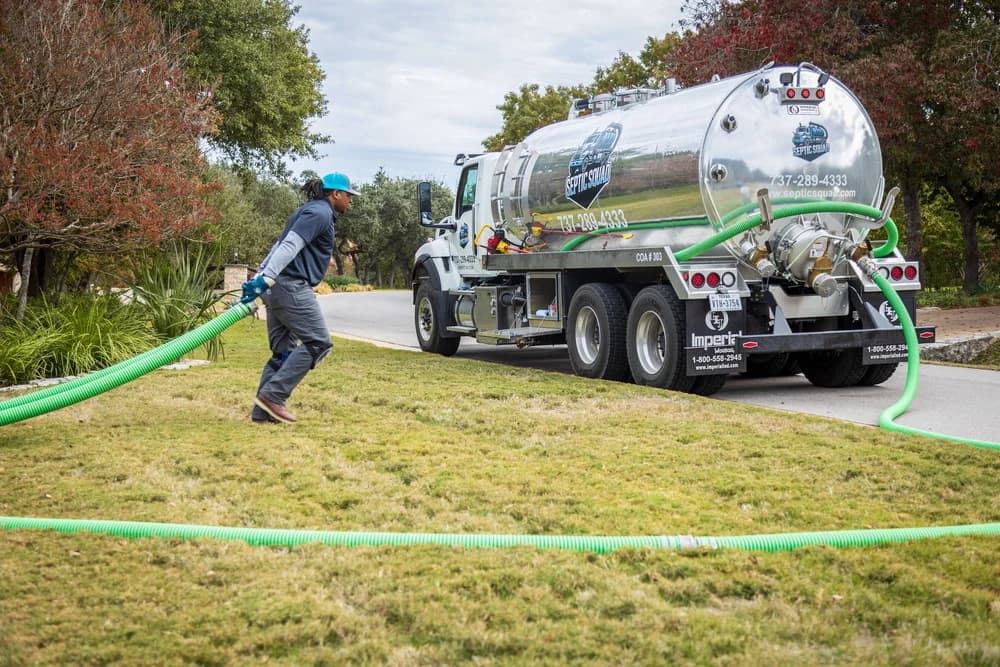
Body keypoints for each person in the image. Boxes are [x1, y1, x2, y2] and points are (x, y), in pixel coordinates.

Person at [240, 172, 359, 424]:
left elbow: (278, 244)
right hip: (290, 286)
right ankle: (274, 396)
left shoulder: (308, 211)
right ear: (335, 194)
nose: (351, 201)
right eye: (349, 195)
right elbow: (289, 245)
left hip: (277, 287)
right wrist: (265, 278)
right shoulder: (320, 213)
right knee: (318, 343)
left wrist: (262, 277)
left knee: (282, 352)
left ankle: (263, 412)